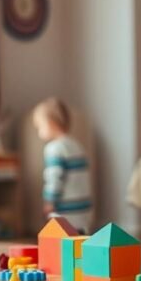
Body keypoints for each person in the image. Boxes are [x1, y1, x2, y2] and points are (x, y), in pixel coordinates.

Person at [32, 97, 93, 233]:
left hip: (66, 211)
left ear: (51, 123)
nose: (39, 132)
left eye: (39, 127)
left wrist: (49, 201)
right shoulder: (77, 145)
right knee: (79, 241)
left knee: (62, 244)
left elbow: (54, 178)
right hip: (83, 209)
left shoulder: (54, 148)